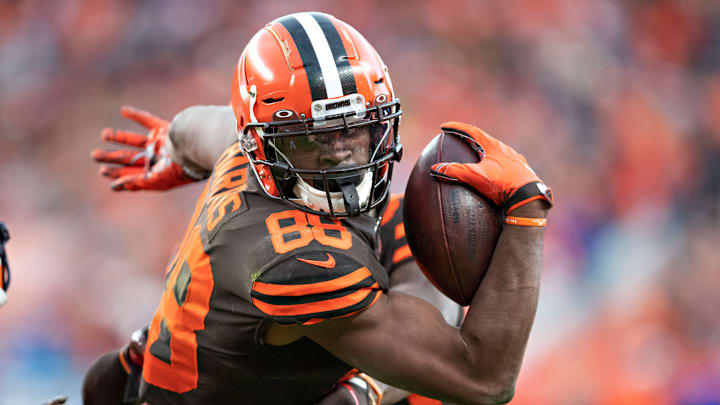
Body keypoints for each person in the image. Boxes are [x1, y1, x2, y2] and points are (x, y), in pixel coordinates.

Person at [86, 12, 552, 405]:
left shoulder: (242, 145)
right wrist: (526, 214)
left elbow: (191, 129)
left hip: (161, 373)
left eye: (354, 129)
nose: (341, 156)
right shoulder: (289, 260)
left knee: (398, 225)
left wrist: (172, 152)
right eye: (311, 138)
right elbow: (483, 380)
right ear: (264, 143)